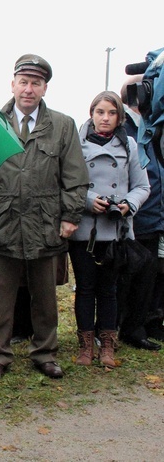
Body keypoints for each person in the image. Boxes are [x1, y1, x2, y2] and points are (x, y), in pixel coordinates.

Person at [0, 54, 89, 380]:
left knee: (45, 297)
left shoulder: (62, 126)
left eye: (36, 83)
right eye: (24, 81)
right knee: (1, 296)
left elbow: (75, 175)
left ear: (45, 87)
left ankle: (45, 352)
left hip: (46, 224)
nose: (28, 89)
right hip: (2, 222)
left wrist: (70, 214)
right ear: (13, 83)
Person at [69, 91, 150, 367]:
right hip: (84, 230)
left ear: (119, 117)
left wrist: (128, 204)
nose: (105, 118)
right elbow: (65, 185)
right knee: (85, 288)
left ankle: (107, 346)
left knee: (109, 289)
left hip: (115, 232)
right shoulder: (75, 144)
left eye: (111, 113)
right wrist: (89, 201)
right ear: (91, 113)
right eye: (100, 112)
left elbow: (142, 186)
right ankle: (85, 346)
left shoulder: (129, 145)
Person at [116, 76, 164, 350]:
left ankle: (141, 324)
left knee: (150, 275)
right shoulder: (127, 131)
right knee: (130, 276)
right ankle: (127, 327)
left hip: (154, 215)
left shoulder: (152, 128)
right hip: (136, 216)